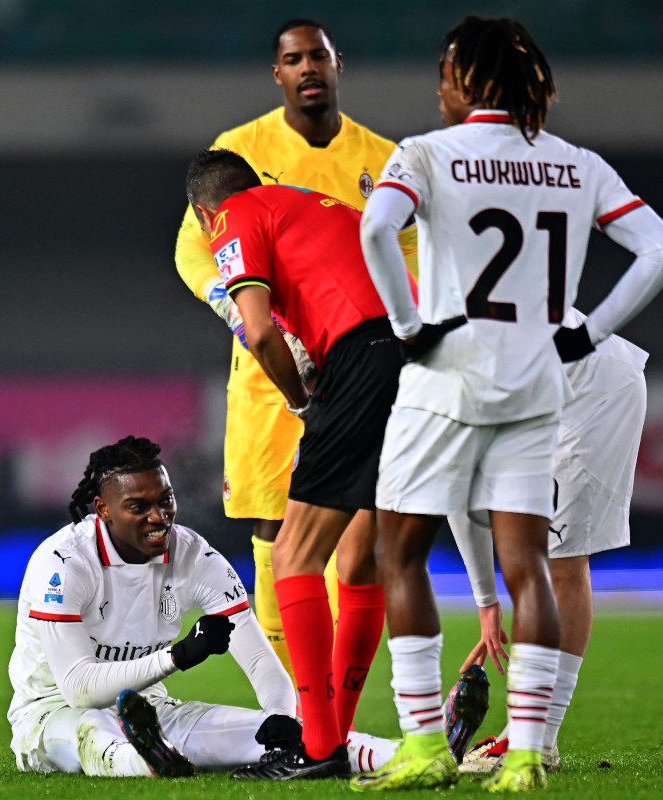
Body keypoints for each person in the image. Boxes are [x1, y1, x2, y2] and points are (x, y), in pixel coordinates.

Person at [355, 15, 663, 793]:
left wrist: (410, 327)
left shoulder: (425, 155)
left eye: (444, 71)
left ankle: (425, 746)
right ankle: (530, 753)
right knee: (529, 563)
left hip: (450, 373)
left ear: (465, 79)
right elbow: (662, 250)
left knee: (398, 552)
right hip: (538, 378)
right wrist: (589, 328)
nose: (438, 87)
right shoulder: (576, 165)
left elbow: (377, 229)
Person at [173, 17, 416, 682]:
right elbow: (194, 247)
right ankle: (300, 700)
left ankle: (326, 708)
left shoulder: (384, 157)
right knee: (273, 533)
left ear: (340, 65)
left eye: (319, 56)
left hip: (351, 362)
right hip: (271, 372)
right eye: (293, 59)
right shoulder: (239, 149)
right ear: (276, 74)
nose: (308, 68)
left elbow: (412, 254)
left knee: (350, 539)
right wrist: (231, 303)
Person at [185, 148, 412, 780]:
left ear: (205, 215)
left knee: (293, 555)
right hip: (418, 354)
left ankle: (316, 747)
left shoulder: (232, 216)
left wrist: (302, 402)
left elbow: (258, 333)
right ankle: (333, 736)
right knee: (361, 559)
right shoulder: (317, 206)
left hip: (360, 359)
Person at [5, 435, 398, 778]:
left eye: (166, 500)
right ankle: (145, 761)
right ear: (103, 509)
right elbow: (79, 690)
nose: (158, 518)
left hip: (151, 710)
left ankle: (403, 753)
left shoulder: (191, 553)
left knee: (297, 734)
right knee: (91, 731)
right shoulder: (63, 563)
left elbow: (258, 656)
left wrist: (278, 711)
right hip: (51, 714)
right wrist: (175, 657)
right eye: (138, 507)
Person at [447, 306, 651, 776]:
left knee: (556, 563)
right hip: (546, 390)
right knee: (536, 556)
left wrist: (486, 603)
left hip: (595, 393)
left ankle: (534, 739)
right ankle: (529, 735)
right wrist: (486, 603)